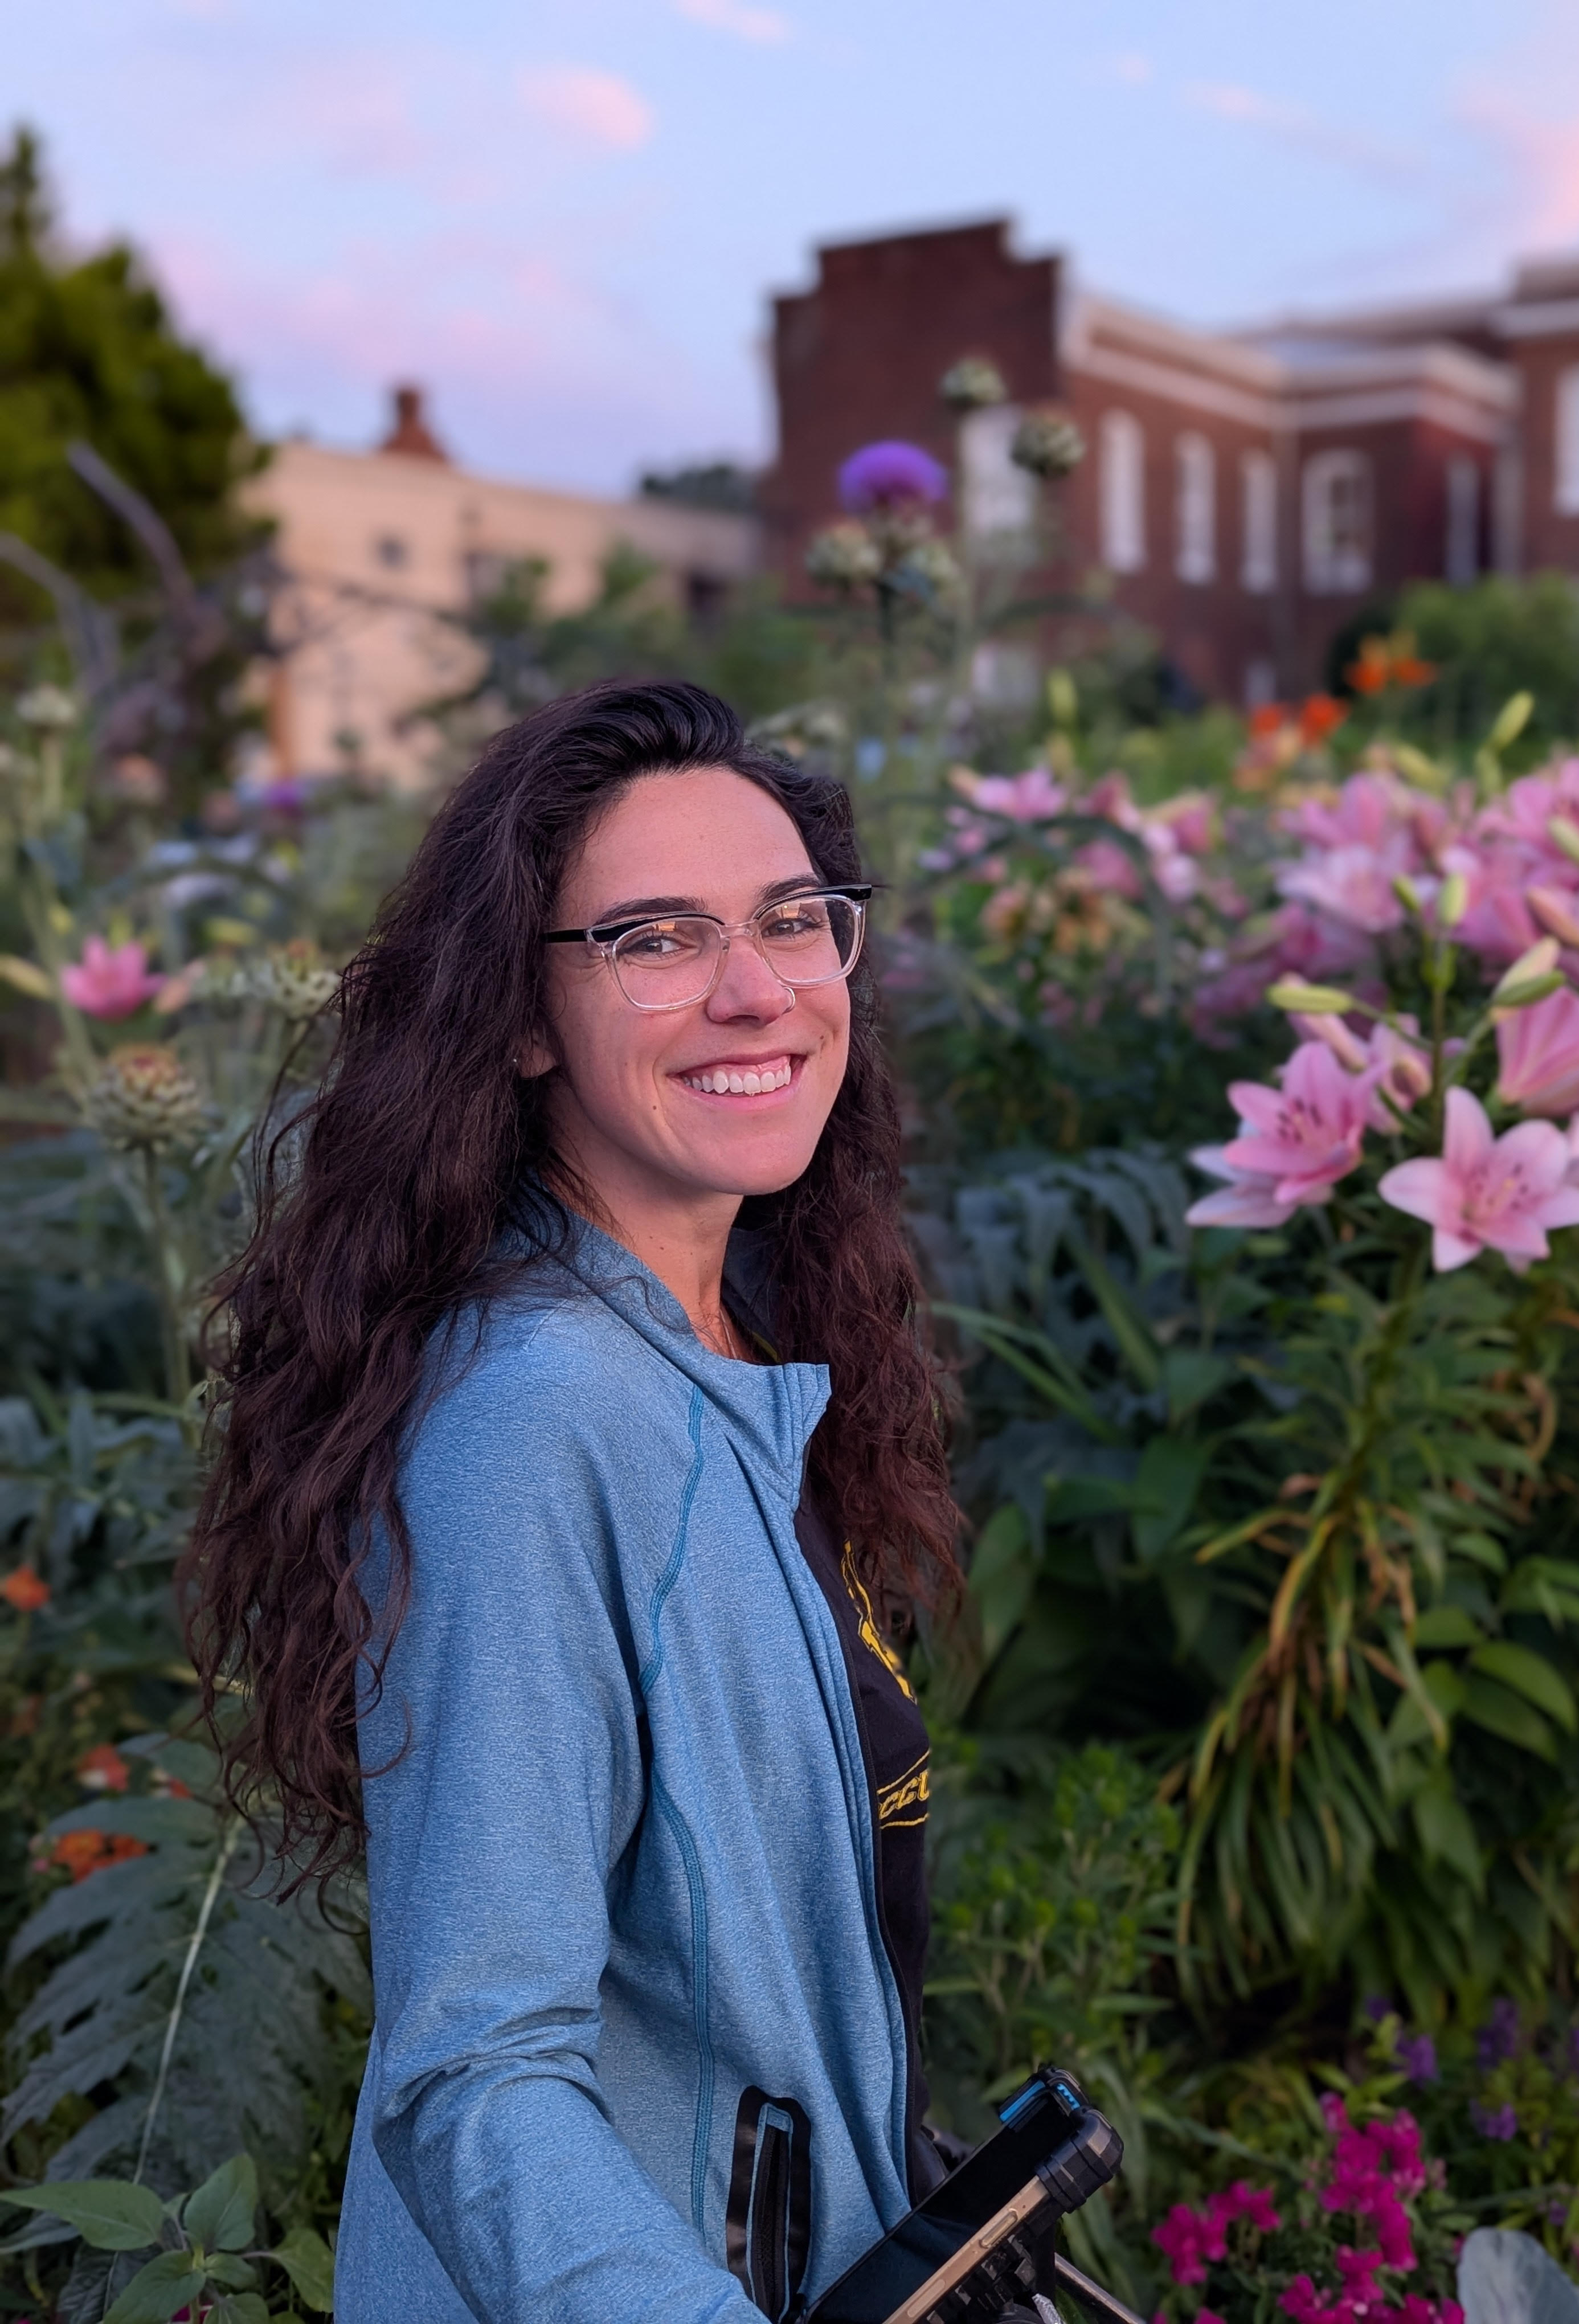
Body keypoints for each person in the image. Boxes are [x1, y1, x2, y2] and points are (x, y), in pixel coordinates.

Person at [182, 681, 962, 2323]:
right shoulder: (540, 1428)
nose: (756, 993)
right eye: (656, 940)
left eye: (791, 922)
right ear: (523, 1017)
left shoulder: (726, 1351)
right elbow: (477, 2072)